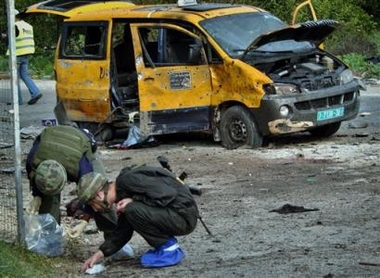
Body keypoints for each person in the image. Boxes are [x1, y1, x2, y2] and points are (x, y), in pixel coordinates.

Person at [78, 164, 199, 272]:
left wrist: (134, 200)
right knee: (130, 209)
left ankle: (169, 251)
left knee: (131, 208)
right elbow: (123, 231)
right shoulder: (123, 190)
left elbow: (167, 194)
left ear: (99, 195)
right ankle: (167, 248)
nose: (94, 209)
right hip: (176, 214)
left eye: (92, 204)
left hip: (183, 216)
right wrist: (100, 253)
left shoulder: (128, 181)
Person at [25, 124, 118, 239]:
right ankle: (50, 240)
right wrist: (37, 196)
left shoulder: (82, 167)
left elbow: (92, 194)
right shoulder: (33, 160)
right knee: (47, 198)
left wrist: (84, 221)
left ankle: (114, 241)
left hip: (81, 146)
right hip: (52, 141)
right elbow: (34, 177)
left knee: (102, 198)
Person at [1, 9, 42, 105]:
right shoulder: (28, 26)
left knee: (14, 77)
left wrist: (3, 36)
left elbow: (9, 37)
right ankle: (35, 93)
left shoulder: (14, 25)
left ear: (13, 16)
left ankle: (17, 100)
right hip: (27, 52)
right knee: (24, 74)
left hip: (17, 53)